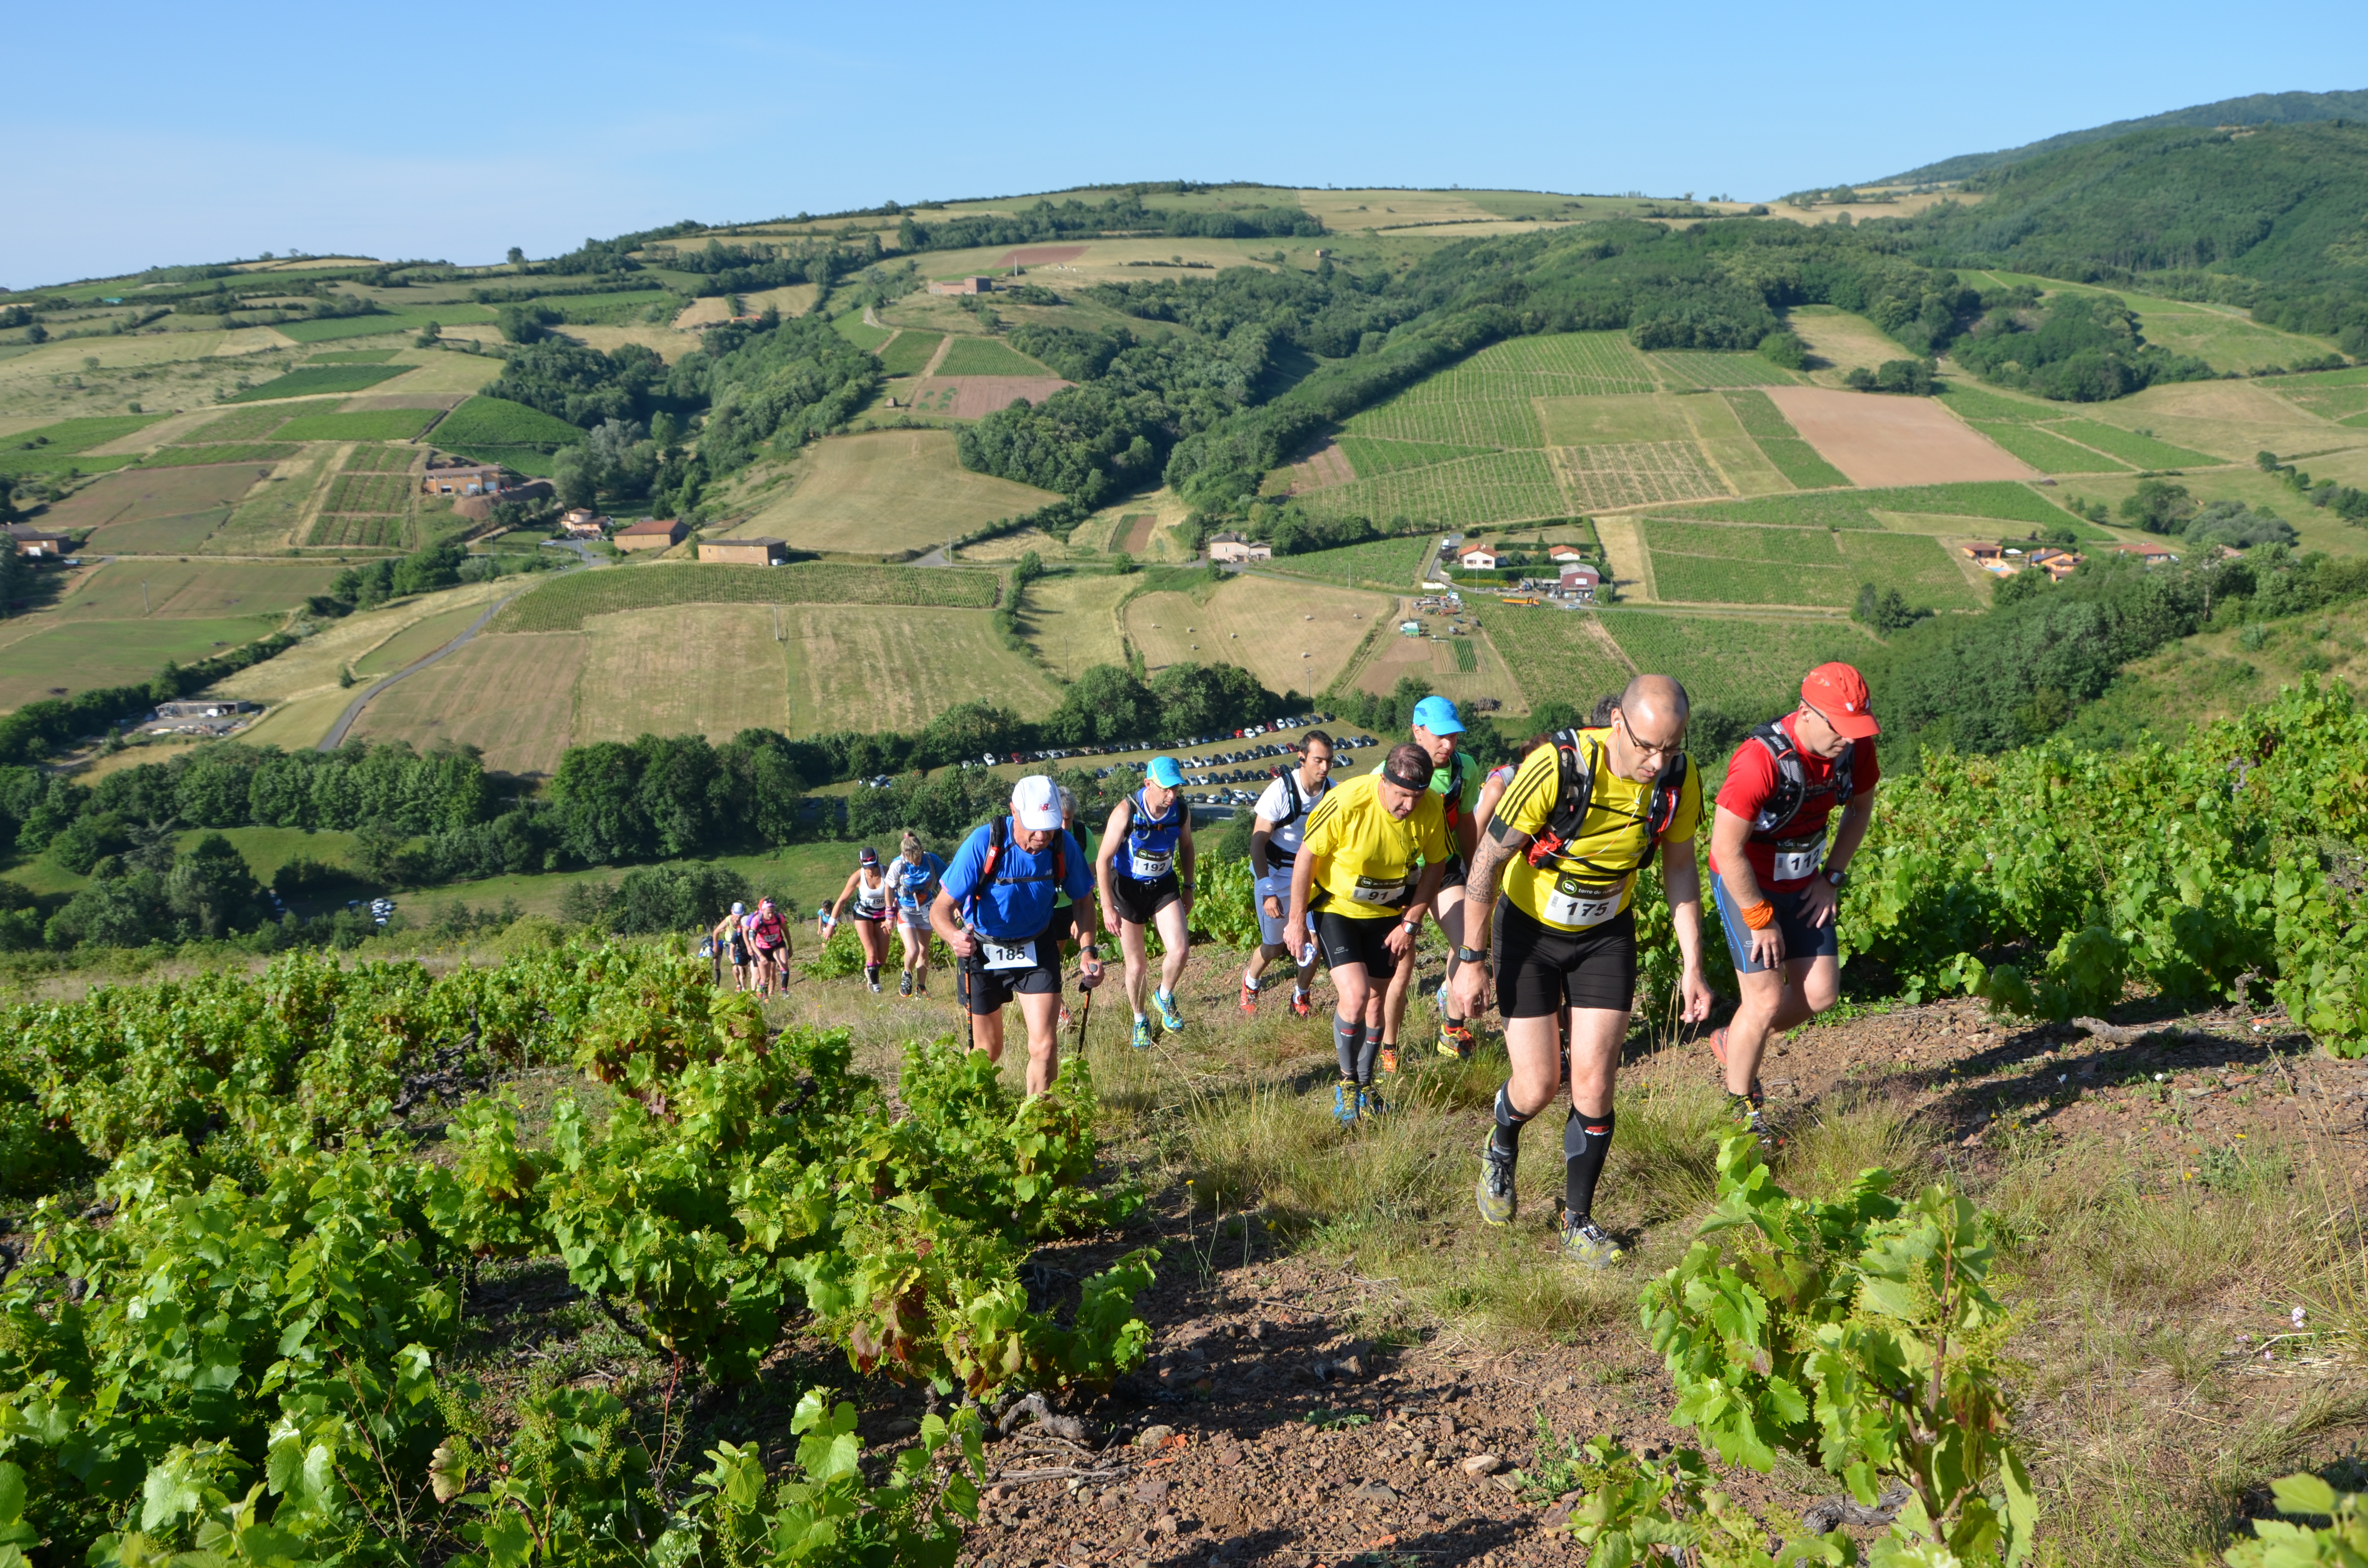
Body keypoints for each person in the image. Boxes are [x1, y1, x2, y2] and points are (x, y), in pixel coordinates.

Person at [1452, 674, 1715, 1268]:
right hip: (1529, 933)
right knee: (1539, 1084)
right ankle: (1501, 1140)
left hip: (1605, 936)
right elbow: (1487, 861)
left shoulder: (1678, 777)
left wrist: (1692, 964)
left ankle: (1577, 1220)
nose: (1656, 761)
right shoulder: (1557, 766)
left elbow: (1679, 868)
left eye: (1670, 748)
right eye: (1646, 746)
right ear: (1616, 722)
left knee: (1594, 1083)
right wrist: (1470, 963)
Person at [1704, 662, 1881, 1141]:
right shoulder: (1757, 761)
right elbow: (1724, 848)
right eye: (1840, 730)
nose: (1849, 740)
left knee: (1820, 994)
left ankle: (1732, 1039)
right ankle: (1743, 1110)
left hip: (1804, 883)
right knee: (1761, 1001)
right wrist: (1758, 917)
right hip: (1748, 885)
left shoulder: (1854, 750)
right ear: (1806, 714)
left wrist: (1832, 878)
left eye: (1856, 729)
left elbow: (1860, 807)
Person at [1287, 742, 1449, 1125]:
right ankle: (1345, 1084)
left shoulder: (1432, 808)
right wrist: (1296, 920)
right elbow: (1306, 856)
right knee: (1356, 995)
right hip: (1337, 907)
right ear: (1384, 780)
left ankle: (1365, 1083)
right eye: (1402, 795)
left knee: (1377, 1003)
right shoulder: (1347, 801)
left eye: (1417, 796)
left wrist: (1411, 922)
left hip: (1389, 914)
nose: (1409, 806)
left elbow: (1437, 865)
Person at [932, 776, 1106, 1096]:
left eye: (1050, 827)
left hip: (1036, 947)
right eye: (1034, 826)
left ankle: (1037, 1123)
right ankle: (979, 1113)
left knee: (1045, 1045)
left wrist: (1087, 951)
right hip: (982, 951)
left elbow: (1083, 901)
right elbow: (940, 910)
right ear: (1014, 811)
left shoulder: (1062, 845)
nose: (1041, 837)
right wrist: (954, 937)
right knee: (988, 1051)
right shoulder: (983, 843)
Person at [1377, 696, 1482, 1070]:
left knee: (1469, 942)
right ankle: (1388, 1046)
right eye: (1441, 737)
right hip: (1397, 875)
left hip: (1444, 867)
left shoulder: (1464, 768)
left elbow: (1467, 822)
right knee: (1400, 968)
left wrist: (1476, 872)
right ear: (1417, 731)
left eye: (1454, 737)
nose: (1448, 745)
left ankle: (1451, 1028)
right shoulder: (1387, 772)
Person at [1097, 757, 1196, 1051]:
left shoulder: (1180, 811)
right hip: (1127, 890)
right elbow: (1102, 861)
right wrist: (1106, 906)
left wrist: (1189, 887)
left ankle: (1164, 995)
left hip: (1163, 885)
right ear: (1148, 785)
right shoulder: (1125, 812)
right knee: (1137, 966)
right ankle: (1140, 1019)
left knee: (1180, 950)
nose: (1172, 795)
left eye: (1176, 788)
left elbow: (1188, 846)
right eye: (1166, 789)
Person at [1241, 730, 1335, 1019]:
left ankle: (1301, 995)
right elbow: (1258, 842)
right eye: (1318, 760)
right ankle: (1251, 982)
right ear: (1302, 758)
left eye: (1329, 761)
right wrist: (1267, 888)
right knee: (1274, 947)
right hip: (1277, 874)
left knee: (1315, 942)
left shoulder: (1333, 792)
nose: (1324, 768)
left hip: (1313, 877)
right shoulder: (1281, 791)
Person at [885, 831, 947, 997]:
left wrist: (949, 905)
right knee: (912, 950)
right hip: (905, 910)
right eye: (912, 860)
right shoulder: (898, 865)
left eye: (918, 859)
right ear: (905, 855)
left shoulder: (931, 860)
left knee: (923, 950)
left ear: (922, 852)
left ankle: (921, 987)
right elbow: (889, 888)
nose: (916, 863)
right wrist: (889, 915)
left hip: (926, 908)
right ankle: (906, 974)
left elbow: (948, 879)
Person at [826, 847, 893, 993]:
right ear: (861, 864)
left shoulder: (887, 872)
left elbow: (900, 892)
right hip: (864, 915)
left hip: (882, 916)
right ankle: (876, 987)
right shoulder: (857, 877)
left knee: (882, 957)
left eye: (874, 866)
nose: (871, 871)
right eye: (867, 867)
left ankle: (869, 970)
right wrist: (831, 924)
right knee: (872, 953)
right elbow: (842, 900)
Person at [745, 896, 791, 998]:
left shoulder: (779, 918)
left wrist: (790, 947)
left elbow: (786, 931)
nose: (771, 915)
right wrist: (760, 956)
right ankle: (764, 997)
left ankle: (784, 991)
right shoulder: (756, 920)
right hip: (762, 948)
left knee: (784, 963)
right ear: (763, 911)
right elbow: (752, 940)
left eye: (773, 913)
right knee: (765, 977)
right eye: (768, 913)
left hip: (778, 944)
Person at [710, 901, 753, 992]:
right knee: (736, 966)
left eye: (740, 915)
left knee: (744, 969)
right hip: (729, 945)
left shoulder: (744, 921)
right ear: (732, 912)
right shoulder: (728, 920)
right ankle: (738, 984)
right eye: (736, 915)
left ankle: (743, 985)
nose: (738, 918)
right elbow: (716, 932)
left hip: (741, 945)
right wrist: (716, 945)